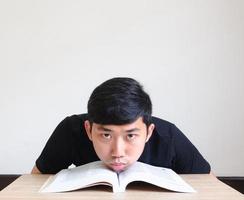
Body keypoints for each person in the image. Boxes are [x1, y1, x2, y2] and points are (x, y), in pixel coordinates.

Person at [31, 77, 211, 174]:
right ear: (89, 129)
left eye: (131, 135)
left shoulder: (168, 135)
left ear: (149, 132)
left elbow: (210, 187)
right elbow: (34, 184)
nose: (117, 152)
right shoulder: (70, 130)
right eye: (106, 135)